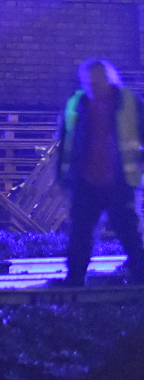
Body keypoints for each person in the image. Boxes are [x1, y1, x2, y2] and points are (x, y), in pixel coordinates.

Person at [56, 58, 144, 284]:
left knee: (128, 233)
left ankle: (140, 278)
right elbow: (66, 143)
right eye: (87, 84)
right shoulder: (77, 103)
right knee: (80, 234)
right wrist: (63, 177)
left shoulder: (129, 102)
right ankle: (74, 280)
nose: (91, 88)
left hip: (119, 181)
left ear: (108, 80)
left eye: (95, 83)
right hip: (85, 182)